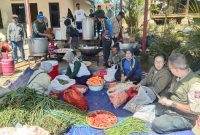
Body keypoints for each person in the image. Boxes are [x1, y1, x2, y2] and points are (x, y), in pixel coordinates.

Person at [152, 53, 200, 134]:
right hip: (172, 108)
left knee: (156, 124)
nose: (169, 70)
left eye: (170, 68)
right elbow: (171, 91)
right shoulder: (177, 76)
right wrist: (164, 97)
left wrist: (171, 103)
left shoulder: (195, 84)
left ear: (176, 69)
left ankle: (186, 125)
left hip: (185, 116)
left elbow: (194, 110)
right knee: (155, 110)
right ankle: (167, 115)